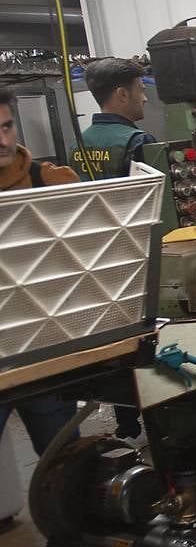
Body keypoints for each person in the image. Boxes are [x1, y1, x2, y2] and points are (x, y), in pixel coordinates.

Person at [72, 57, 156, 443]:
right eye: (140, 91)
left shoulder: (80, 145)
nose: (144, 100)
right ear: (121, 94)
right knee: (143, 344)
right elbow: (158, 206)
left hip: (93, 261)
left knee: (112, 346)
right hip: (134, 258)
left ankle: (124, 426)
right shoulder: (138, 143)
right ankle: (156, 418)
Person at [0, 87, 81, 453]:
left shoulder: (49, 181)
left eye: (7, 127)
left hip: (43, 347)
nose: (3, 140)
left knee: (65, 466)